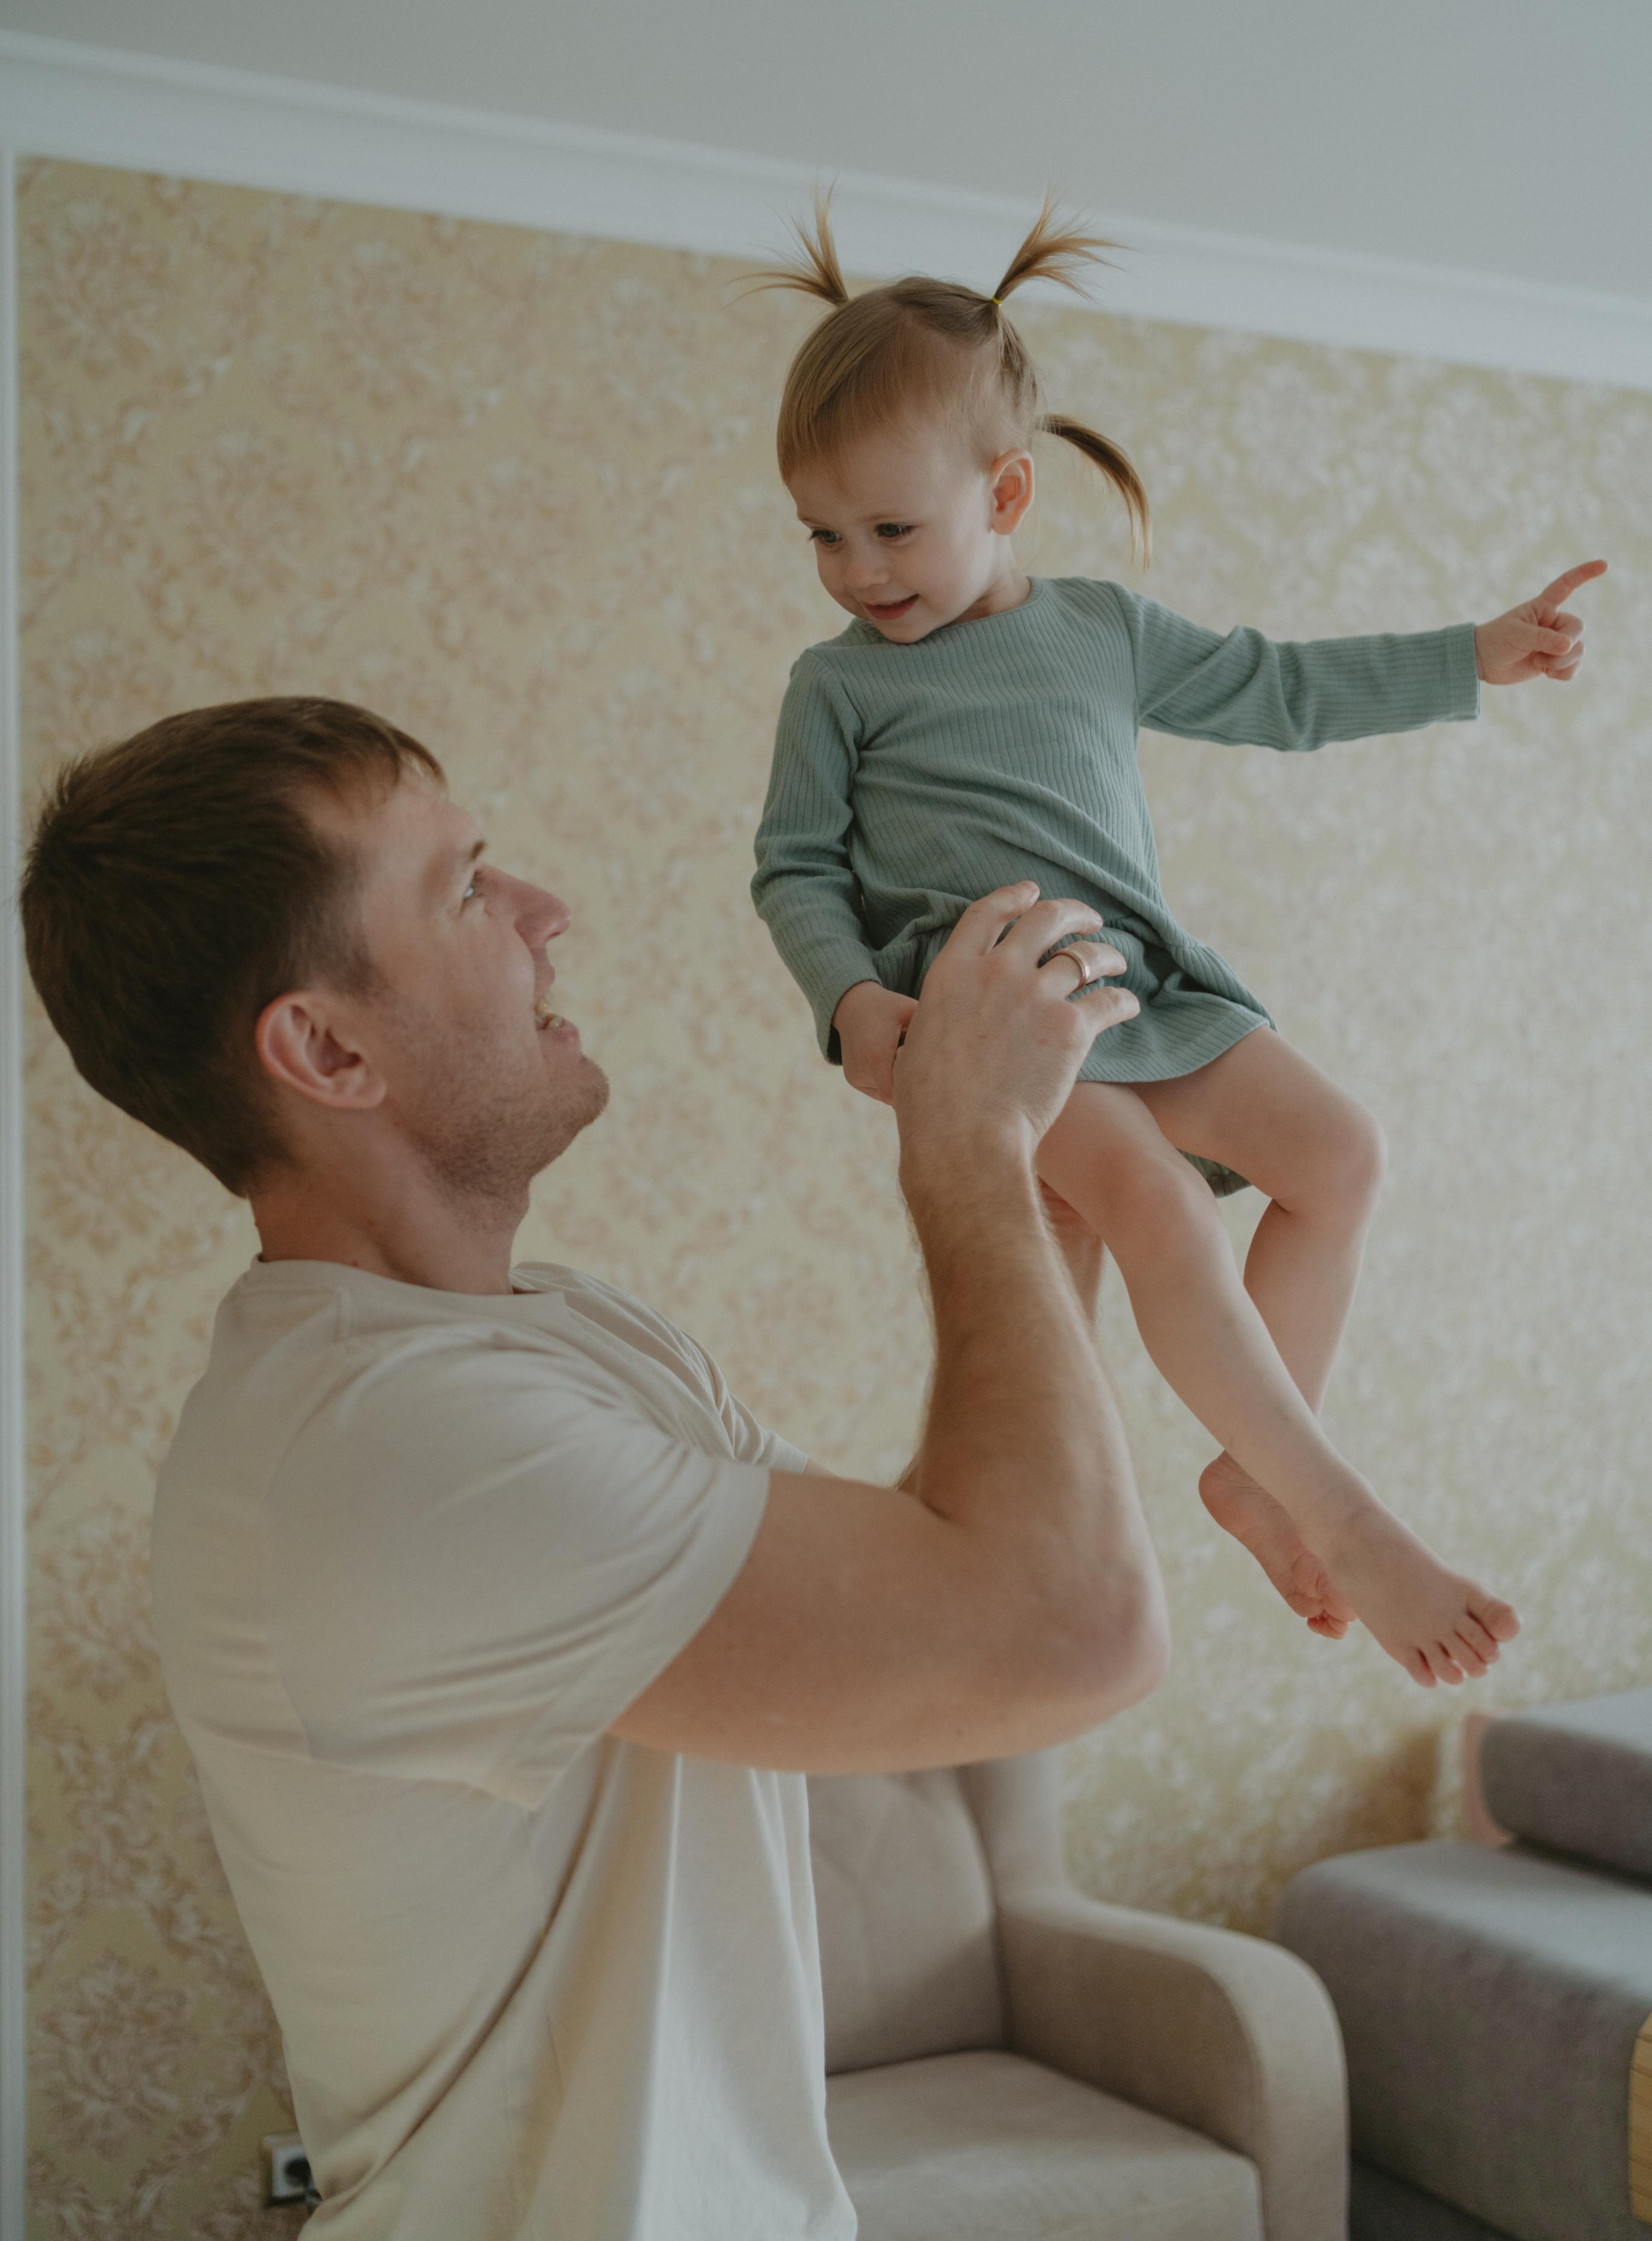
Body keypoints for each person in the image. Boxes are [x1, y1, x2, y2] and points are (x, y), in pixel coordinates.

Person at [20, 695, 1167, 2241]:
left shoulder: (563, 1338)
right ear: (327, 1048)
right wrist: (964, 1150)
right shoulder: (387, 1449)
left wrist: (1033, 1187)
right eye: (466, 889)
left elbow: (946, 1581)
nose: (545, 911)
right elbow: (1067, 1632)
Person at [750, 196, 1602, 1692]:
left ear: (1006, 492)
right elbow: (794, 869)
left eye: (890, 529)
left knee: (1339, 1157)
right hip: (996, 1014)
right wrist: (850, 1002)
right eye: (822, 534)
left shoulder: (1097, 628)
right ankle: (1338, 1513)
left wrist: (1471, 654)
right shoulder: (838, 687)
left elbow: (1278, 689)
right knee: (1157, 1209)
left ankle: (1252, 1478)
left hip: (1138, 984)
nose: (856, 569)